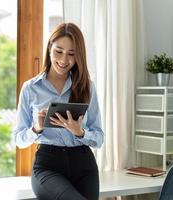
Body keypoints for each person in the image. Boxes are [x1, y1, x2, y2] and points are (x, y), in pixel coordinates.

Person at [13, 22, 104, 200]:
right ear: (49, 48)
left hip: (84, 164)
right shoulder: (31, 88)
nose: (63, 60)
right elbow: (18, 139)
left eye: (71, 54)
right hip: (48, 165)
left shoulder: (87, 87)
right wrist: (36, 128)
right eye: (58, 51)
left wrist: (80, 132)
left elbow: (99, 138)